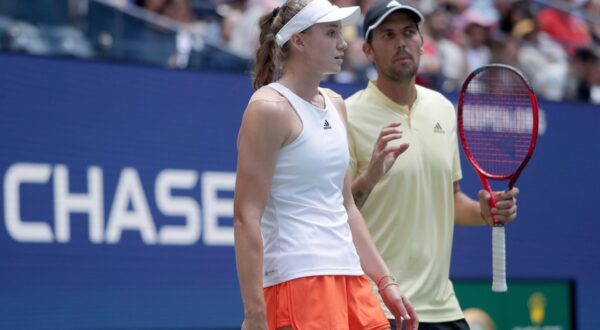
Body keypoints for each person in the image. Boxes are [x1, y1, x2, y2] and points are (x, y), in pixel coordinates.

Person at [233, 0, 419, 329]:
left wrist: (384, 281)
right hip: (297, 280)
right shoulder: (267, 108)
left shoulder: (335, 104)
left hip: (350, 276)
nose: (343, 42)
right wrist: (255, 313)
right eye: (331, 32)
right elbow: (246, 216)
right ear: (299, 41)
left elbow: (345, 205)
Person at [345, 1, 519, 329]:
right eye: (388, 34)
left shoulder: (442, 108)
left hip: (444, 309)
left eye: (409, 32)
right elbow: (340, 211)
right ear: (368, 51)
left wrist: (487, 210)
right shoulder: (348, 115)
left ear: (423, 44)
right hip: (378, 308)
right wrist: (370, 177)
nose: (402, 42)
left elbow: (450, 201)